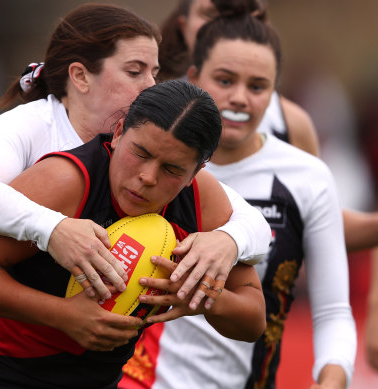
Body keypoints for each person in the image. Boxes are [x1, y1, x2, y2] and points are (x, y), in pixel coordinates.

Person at [0, 4, 271, 389]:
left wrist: (217, 267)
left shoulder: (193, 185)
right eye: (135, 71)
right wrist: (53, 236)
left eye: (172, 170)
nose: (147, 177)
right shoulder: (53, 154)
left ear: (196, 172)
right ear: (119, 132)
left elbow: (254, 278)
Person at [120, 10, 357, 389]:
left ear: (275, 92)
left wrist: (332, 378)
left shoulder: (307, 178)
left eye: (258, 86)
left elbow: (332, 311)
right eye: (225, 80)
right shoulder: (144, 163)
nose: (239, 98)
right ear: (194, 77)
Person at [158, 0, 378, 253]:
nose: (223, 27)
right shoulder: (152, 105)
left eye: (236, 15)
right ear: (183, 25)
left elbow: (318, 223)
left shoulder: (290, 122)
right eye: (210, 14)